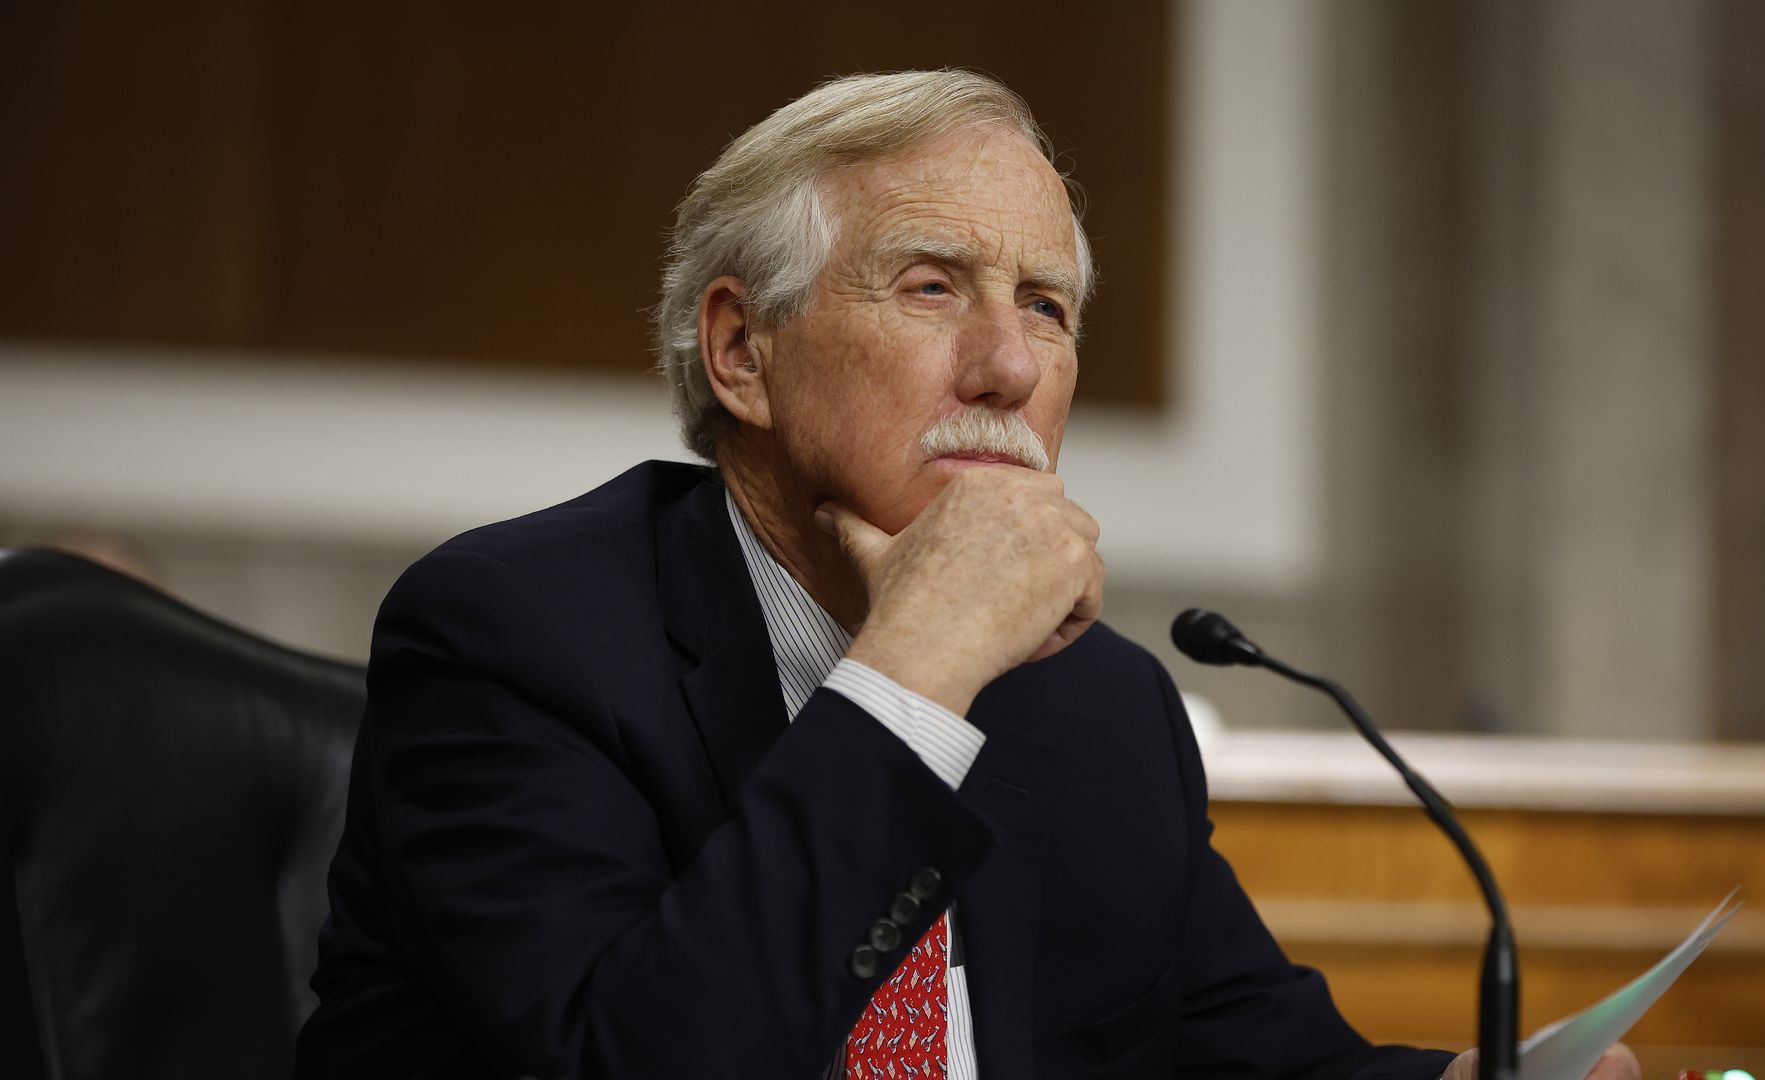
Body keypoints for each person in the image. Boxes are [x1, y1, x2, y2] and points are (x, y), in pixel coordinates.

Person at [296, 70, 1637, 1079]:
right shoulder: (516, 638)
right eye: (933, 288)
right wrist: (915, 669)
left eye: (1045, 307)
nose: (1008, 368)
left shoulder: (1098, 706)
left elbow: (1253, 1056)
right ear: (743, 352)